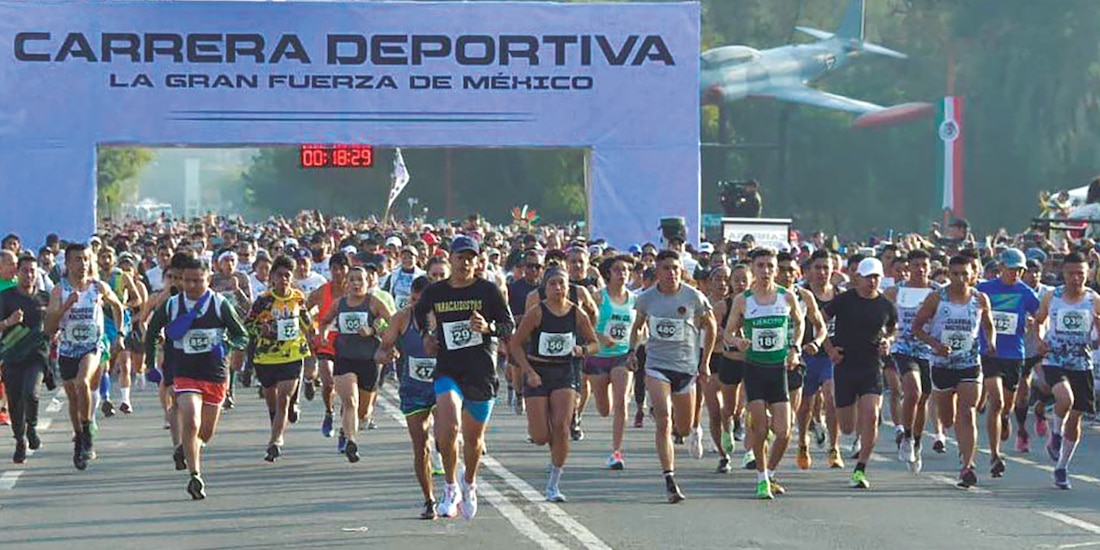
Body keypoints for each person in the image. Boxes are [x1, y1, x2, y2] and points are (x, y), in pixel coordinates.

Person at [413, 235, 515, 519]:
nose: (465, 262)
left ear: (478, 261)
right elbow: (419, 314)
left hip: (481, 370)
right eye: (460, 257)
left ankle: (468, 481)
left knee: (474, 440)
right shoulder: (436, 292)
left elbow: (508, 325)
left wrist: (488, 327)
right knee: (449, 428)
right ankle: (449, 486)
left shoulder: (488, 291)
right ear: (451, 259)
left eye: (471, 258)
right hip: (448, 368)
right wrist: (426, 336)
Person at [144, 254, 248, 499]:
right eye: (187, 281)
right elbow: (151, 331)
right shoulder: (172, 305)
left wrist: (227, 342)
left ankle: (188, 449)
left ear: (208, 279)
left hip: (214, 373)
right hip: (185, 371)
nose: (191, 286)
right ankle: (195, 476)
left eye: (198, 281)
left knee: (205, 433)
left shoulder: (220, 304)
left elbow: (242, 334)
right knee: (190, 419)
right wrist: (150, 363)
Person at [627, 250, 716, 503]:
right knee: (664, 421)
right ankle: (669, 479)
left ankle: (683, 426)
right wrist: (632, 351)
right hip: (657, 365)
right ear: (657, 271)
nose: (671, 272)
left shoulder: (693, 296)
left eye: (675, 268)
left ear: (681, 270)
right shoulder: (646, 299)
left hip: (686, 368)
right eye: (665, 268)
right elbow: (638, 326)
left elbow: (710, 326)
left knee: (684, 427)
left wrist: (705, 361)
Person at [510, 266, 600, 502]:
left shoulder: (576, 313)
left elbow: (594, 343)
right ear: (545, 288)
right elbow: (516, 344)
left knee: (561, 426)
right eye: (553, 284)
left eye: (562, 284)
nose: (558, 288)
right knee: (540, 436)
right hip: (538, 371)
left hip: (564, 371)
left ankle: (554, 483)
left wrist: (583, 349)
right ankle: (552, 445)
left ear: (568, 288)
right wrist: (528, 371)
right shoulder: (536, 313)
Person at [724, 248, 804, 499]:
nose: (766, 270)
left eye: (770, 265)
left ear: (776, 269)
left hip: (779, 369)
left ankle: (770, 471)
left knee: (784, 431)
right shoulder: (743, 300)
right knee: (760, 428)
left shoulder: (786, 297)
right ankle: (761, 479)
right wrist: (738, 342)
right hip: (755, 369)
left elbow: (800, 323)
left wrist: (795, 348)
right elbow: (727, 332)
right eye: (760, 266)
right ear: (753, 270)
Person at [912, 255, 996, 489]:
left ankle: (967, 466)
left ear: (972, 274)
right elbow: (916, 328)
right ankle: (959, 445)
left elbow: (988, 324)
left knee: (967, 412)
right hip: (942, 364)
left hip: (969, 363)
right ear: (949, 274)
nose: (960, 278)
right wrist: (935, 344)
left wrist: (991, 341)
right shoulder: (936, 298)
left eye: (964, 274)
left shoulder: (980, 299)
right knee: (948, 418)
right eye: (955, 273)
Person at [45, 243, 126, 471]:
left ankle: (88, 428)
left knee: (83, 382)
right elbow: (49, 327)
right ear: (68, 263)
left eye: (87, 259)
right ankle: (79, 436)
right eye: (78, 259)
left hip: (93, 345)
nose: (83, 264)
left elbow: (118, 307)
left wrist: (120, 334)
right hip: (68, 349)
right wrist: (65, 307)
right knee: (72, 398)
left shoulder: (97, 287)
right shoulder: (59, 291)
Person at [824, 257, 897, 490]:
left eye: (876, 277)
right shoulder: (843, 301)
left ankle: (860, 469)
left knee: (872, 415)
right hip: (845, 365)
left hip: (871, 366)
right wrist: (829, 349)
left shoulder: (885, 305)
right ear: (858, 278)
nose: (872, 281)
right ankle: (853, 435)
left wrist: (888, 341)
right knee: (846, 426)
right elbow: (818, 323)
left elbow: (893, 329)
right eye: (868, 277)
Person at [1032, 251, 1099, 489]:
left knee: (1076, 417)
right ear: (1063, 273)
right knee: (1064, 398)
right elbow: (1038, 321)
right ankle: (1056, 433)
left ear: (1087, 273)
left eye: (1081, 273)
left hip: (1082, 363)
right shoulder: (1053, 296)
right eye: (1071, 273)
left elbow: (1098, 339)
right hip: (1055, 359)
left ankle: (1061, 467)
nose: (1076, 278)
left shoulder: (1093, 299)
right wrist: (1039, 341)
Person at [377, 275, 440, 520]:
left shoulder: (444, 316)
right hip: (413, 389)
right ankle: (429, 499)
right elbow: (382, 349)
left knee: (446, 438)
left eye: (422, 301)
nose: (417, 306)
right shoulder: (402, 317)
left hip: (442, 384)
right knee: (421, 445)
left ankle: (453, 486)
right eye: (413, 300)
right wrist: (385, 354)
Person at [976, 248, 1040, 478]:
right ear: (1001, 268)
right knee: (996, 400)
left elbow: (1041, 315)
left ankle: (1004, 417)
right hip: (990, 352)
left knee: (1006, 407)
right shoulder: (984, 289)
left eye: (1019, 270)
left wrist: (1037, 330)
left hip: (1014, 355)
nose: (1015, 274)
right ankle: (995, 455)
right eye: (1012, 269)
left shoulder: (1027, 293)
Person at [245, 255, 316, 462]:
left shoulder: (297, 297)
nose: (284, 279)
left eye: (287, 275)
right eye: (279, 275)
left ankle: (275, 441)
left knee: (283, 398)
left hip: (292, 354)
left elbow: (305, 320)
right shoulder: (264, 300)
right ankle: (278, 423)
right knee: (272, 403)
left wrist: (313, 333)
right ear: (272, 277)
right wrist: (262, 329)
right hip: (266, 357)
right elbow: (247, 324)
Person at [319, 265, 393, 462]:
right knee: (350, 401)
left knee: (363, 411)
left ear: (367, 283)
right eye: (352, 280)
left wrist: (373, 331)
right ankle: (351, 441)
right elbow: (325, 321)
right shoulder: (339, 304)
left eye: (360, 280)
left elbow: (393, 323)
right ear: (346, 283)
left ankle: (345, 430)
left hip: (369, 359)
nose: (356, 284)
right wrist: (324, 334)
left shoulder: (374, 302)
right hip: (344, 358)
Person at [883, 249, 936, 473]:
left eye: (925, 265)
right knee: (912, 392)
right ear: (909, 268)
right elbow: (883, 318)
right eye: (916, 265)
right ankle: (905, 436)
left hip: (929, 349)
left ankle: (916, 440)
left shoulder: (937, 292)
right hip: (903, 346)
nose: (921, 269)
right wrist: (884, 337)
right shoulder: (896, 291)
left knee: (923, 398)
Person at [587, 255, 637, 470]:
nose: (622, 273)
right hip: (598, 358)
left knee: (621, 404)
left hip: (622, 356)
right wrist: (600, 336)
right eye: (617, 269)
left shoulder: (635, 299)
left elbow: (639, 327)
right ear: (608, 273)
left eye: (625, 270)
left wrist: (637, 345)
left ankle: (616, 452)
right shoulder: (598, 297)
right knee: (604, 409)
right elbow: (585, 325)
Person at [0, 255, 50, 463]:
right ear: (17, 273)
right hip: (12, 356)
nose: (29, 275)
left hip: (37, 356)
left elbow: (56, 320)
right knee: (15, 401)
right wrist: (8, 322)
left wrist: (54, 330)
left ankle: (32, 427)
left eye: (33, 271)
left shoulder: (45, 298)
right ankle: (20, 440)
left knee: (31, 393)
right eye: (25, 270)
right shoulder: (5, 297)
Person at [801, 249, 843, 469]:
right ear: (809, 270)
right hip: (806, 354)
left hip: (831, 357)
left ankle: (834, 448)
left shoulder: (840, 295)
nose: (822, 272)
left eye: (826, 267)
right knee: (805, 403)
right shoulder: (801, 294)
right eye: (817, 267)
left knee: (832, 397)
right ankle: (802, 443)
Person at [306, 252, 351, 438]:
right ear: (330, 270)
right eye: (334, 268)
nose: (338, 272)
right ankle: (329, 412)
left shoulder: (353, 292)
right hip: (325, 342)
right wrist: (310, 331)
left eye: (342, 268)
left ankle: (344, 428)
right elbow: (304, 309)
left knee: (346, 391)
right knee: (328, 383)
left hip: (348, 344)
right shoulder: (322, 291)